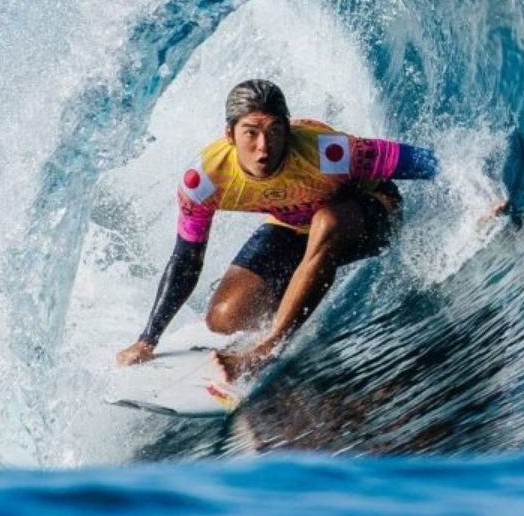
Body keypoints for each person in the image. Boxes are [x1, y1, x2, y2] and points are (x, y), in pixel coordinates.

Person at [115, 79, 439, 380]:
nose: (264, 147)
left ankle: (266, 349)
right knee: (225, 319)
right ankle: (295, 289)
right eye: (251, 132)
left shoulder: (328, 152)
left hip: (369, 217)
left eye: (274, 131)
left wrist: (480, 193)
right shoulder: (205, 181)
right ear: (230, 134)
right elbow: (186, 258)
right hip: (294, 225)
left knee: (327, 222)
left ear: (288, 129)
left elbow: (428, 163)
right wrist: (148, 339)